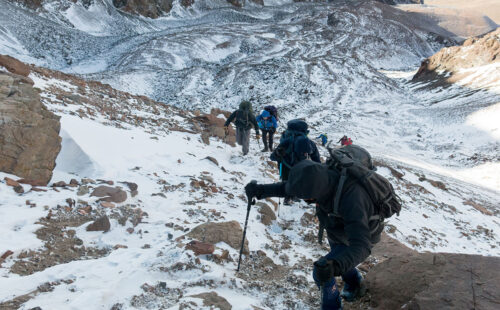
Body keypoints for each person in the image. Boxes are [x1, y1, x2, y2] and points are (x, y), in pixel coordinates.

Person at [244, 158, 383, 309]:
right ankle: (355, 283)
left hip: (362, 233)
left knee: (322, 272)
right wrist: (261, 191)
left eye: (305, 198)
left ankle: (333, 307)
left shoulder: (352, 198)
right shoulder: (321, 178)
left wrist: (335, 266)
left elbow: (362, 245)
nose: (303, 199)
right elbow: (290, 188)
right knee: (337, 255)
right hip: (337, 227)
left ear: (313, 194)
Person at [270, 119, 320, 205]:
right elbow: (315, 156)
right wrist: (319, 167)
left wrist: (278, 153)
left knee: (286, 181)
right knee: (299, 181)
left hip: (284, 165)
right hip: (300, 166)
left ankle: (288, 198)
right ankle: (295, 196)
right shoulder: (308, 142)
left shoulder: (285, 140)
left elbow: (272, 157)